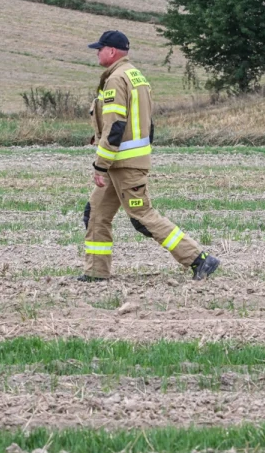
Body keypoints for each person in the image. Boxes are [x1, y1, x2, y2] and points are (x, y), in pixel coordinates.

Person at [82, 30, 221, 280]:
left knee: (142, 217)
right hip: (122, 162)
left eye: (99, 48)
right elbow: (147, 124)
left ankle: (199, 259)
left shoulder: (116, 79)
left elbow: (115, 126)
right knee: (95, 213)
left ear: (111, 51)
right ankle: (96, 273)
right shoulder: (136, 77)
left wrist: (100, 165)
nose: (97, 52)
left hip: (123, 164)